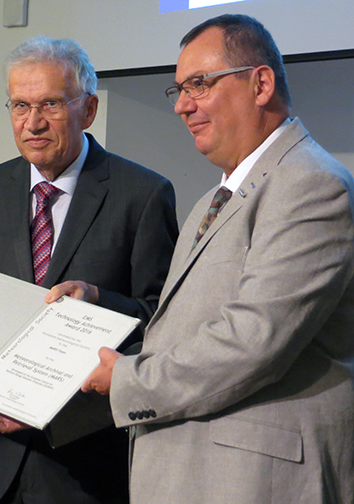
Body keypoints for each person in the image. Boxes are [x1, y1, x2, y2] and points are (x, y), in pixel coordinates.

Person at [82, 14, 354, 504]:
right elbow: (180, 332)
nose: (183, 106)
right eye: (178, 90)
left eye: (200, 85)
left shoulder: (310, 184)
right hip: (194, 472)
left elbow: (253, 341)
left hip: (253, 481)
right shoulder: (216, 198)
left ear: (261, 83)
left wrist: (127, 379)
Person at [0, 36, 177, 504]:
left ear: (88, 110)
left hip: (84, 464)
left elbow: (163, 321)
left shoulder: (143, 194)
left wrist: (98, 299)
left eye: (50, 104)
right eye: (19, 105)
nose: (32, 122)